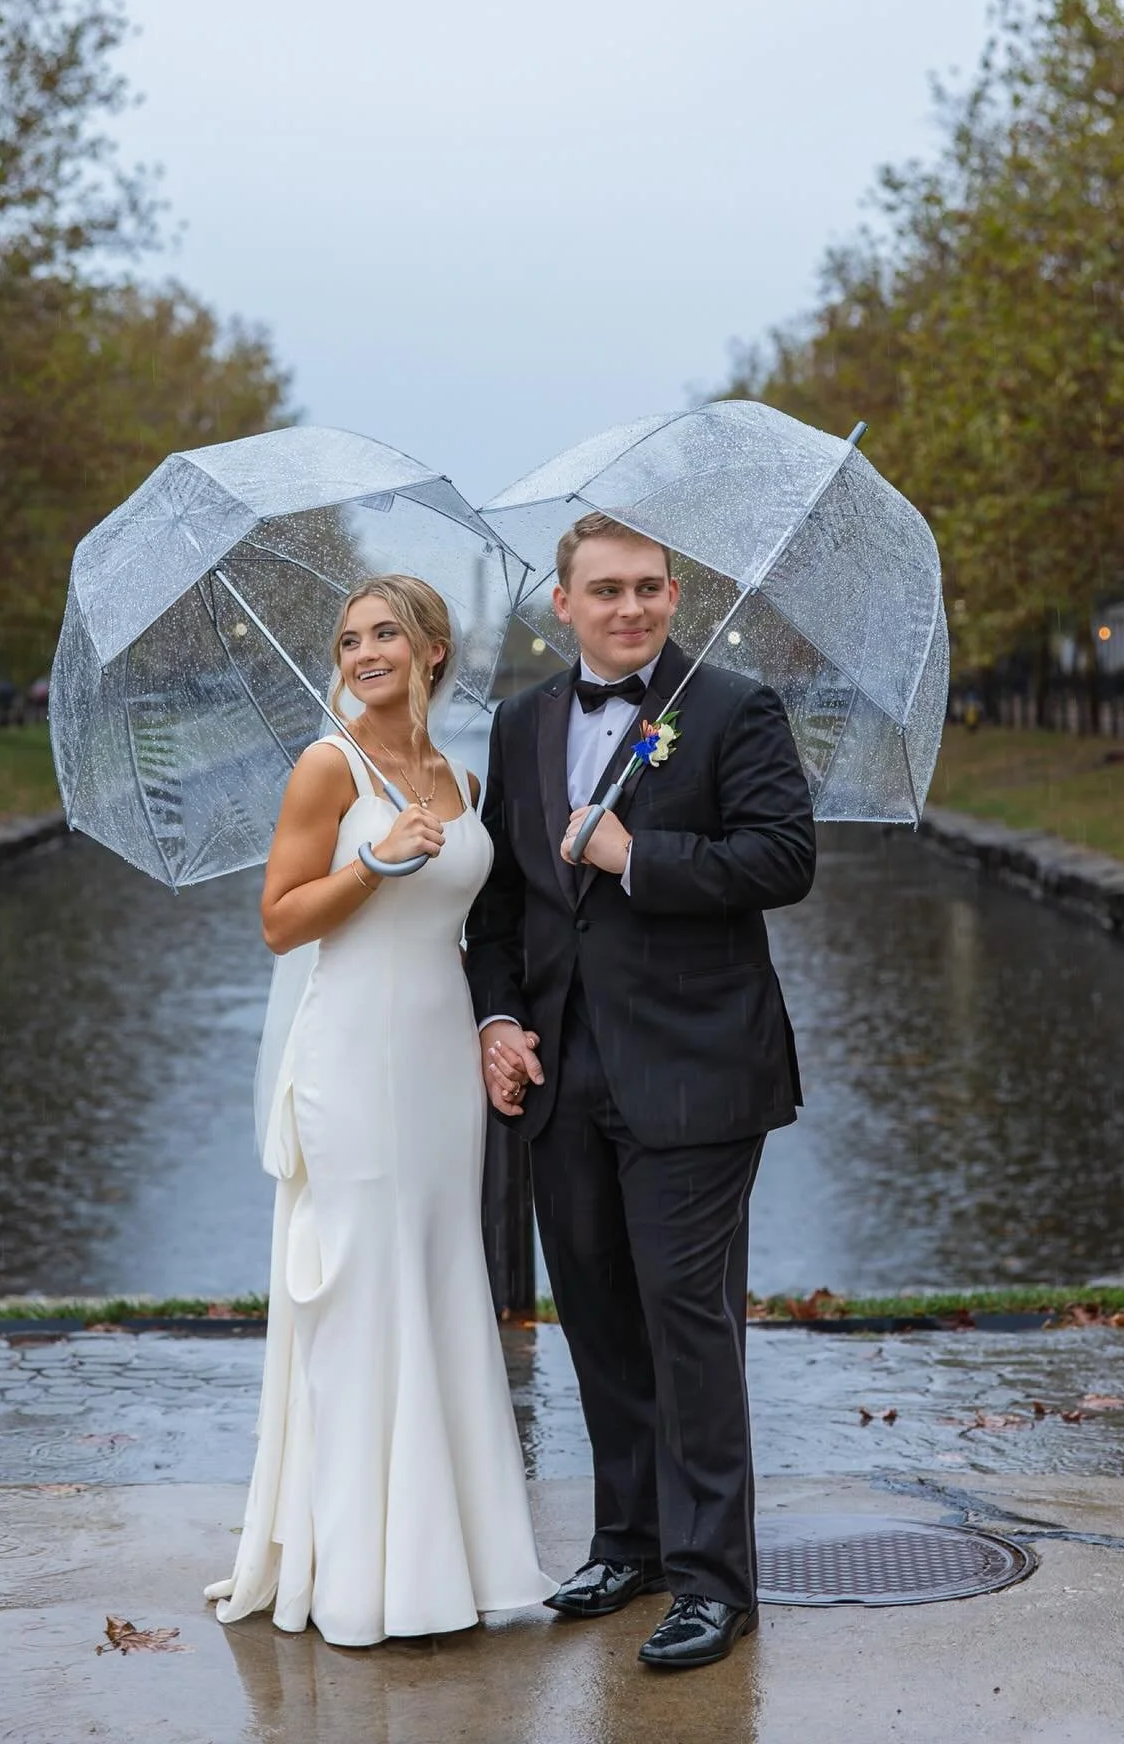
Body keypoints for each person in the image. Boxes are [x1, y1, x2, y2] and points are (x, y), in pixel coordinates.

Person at [466, 512, 815, 1671]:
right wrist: (500, 1017)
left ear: (675, 597)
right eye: (606, 590)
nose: (631, 608)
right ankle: (632, 1542)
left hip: (699, 1073)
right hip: (562, 1079)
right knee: (601, 1319)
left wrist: (637, 858)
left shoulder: (731, 709)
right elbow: (501, 911)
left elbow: (783, 858)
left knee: (688, 1323)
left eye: (651, 589)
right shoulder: (518, 726)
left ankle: (718, 1581)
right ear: (560, 605)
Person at [206, 573, 556, 1646]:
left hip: (441, 1060)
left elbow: (473, 922)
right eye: (351, 639)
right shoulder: (329, 765)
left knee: (443, 1281)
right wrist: (371, 860)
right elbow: (278, 921)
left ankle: (458, 1559)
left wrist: (498, 1028)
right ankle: (361, 1574)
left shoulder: (457, 773)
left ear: (433, 650)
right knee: (363, 1294)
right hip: (351, 1062)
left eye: (387, 636)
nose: (364, 653)